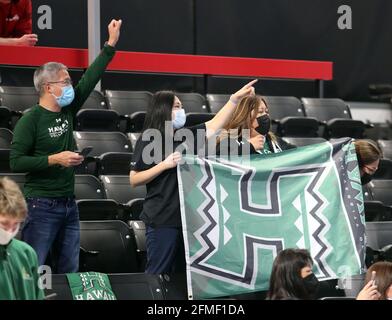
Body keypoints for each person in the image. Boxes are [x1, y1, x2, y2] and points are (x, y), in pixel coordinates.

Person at [10, 19, 122, 273]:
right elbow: (16, 161)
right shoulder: (31, 120)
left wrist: (110, 45)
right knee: (34, 269)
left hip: (68, 204)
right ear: (48, 88)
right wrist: (54, 159)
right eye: (66, 82)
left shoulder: (68, 109)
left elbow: (91, 78)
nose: (71, 86)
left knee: (69, 270)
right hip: (40, 205)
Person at [130, 80, 257, 275]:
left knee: (185, 277)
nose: (182, 110)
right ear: (163, 109)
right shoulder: (151, 137)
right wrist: (164, 165)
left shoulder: (185, 136)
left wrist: (234, 99)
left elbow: (214, 125)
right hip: (162, 218)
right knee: (158, 273)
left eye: (181, 106)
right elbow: (134, 179)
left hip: (188, 220)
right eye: (177, 106)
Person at [0, 177, 44, 300]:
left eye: (16, 224)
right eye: (4, 224)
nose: (9, 232)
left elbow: (38, 295)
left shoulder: (26, 252)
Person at [216, 95, 294, 156]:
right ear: (245, 116)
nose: (265, 116)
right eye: (260, 112)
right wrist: (249, 146)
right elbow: (215, 157)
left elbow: (298, 153)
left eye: (266, 112)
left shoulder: (273, 139)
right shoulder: (230, 137)